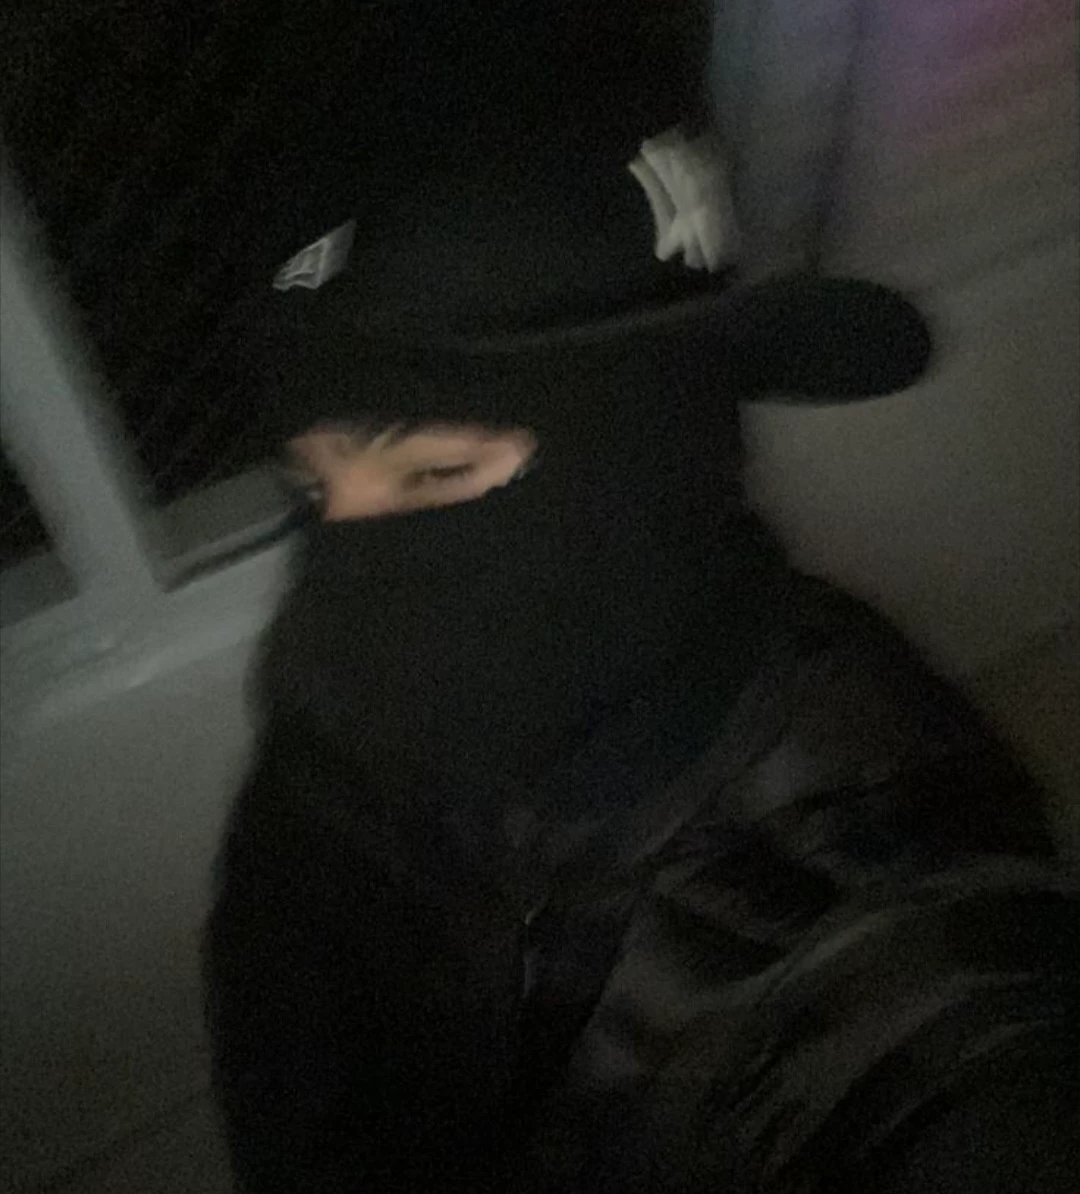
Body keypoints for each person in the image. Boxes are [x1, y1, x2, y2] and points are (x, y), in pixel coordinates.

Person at [203, 7, 1078, 1193]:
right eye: (314, 487)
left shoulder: (884, 882)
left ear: (648, 452)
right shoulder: (345, 681)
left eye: (435, 474)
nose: (347, 557)